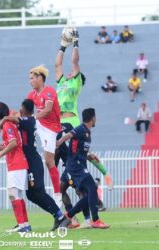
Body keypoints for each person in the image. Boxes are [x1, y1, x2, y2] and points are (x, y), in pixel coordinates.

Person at [0, 65, 63, 208]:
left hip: (51, 129)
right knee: (14, 115)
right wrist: (0, 128)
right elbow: (21, 113)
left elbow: (47, 110)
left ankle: (57, 194)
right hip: (38, 123)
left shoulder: (49, 91)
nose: (30, 81)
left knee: (49, 161)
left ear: (40, 78)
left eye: (32, 78)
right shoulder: (32, 94)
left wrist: (32, 118)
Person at [56, 28, 113, 229]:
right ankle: (73, 214)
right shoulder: (62, 81)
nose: (70, 73)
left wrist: (76, 42)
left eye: (74, 73)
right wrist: (63, 44)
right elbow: (58, 64)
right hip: (58, 125)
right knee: (66, 176)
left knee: (77, 156)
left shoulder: (76, 82)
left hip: (69, 122)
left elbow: (74, 62)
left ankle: (83, 215)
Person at [0, 99, 69, 232]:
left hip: (32, 162)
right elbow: (13, 139)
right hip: (29, 162)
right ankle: (53, 216)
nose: (18, 110)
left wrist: (0, 124)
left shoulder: (29, 120)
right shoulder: (21, 122)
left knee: (37, 192)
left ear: (25, 110)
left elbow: (8, 119)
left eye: (21, 108)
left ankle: (59, 216)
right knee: (31, 195)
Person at [56, 108, 110, 229]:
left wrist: (90, 155)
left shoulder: (87, 132)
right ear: (93, 118)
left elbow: (79, 150)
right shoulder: (81, 129)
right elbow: (69, 135)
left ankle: (69, 215)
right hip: (76, 166)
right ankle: (95, 220)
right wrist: (59, 142)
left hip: (79, 165)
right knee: (92, 188)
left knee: (90, 193)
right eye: (95, 117)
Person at [0, 102, 31, 233]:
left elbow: (13, 144)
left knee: (13, 194)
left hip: (17, 163)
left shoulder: (7, 124)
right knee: (16, 194)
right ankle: (24, 224)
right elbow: (10, 142)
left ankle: (22, 225)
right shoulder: (10, 123)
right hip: (17, 163)